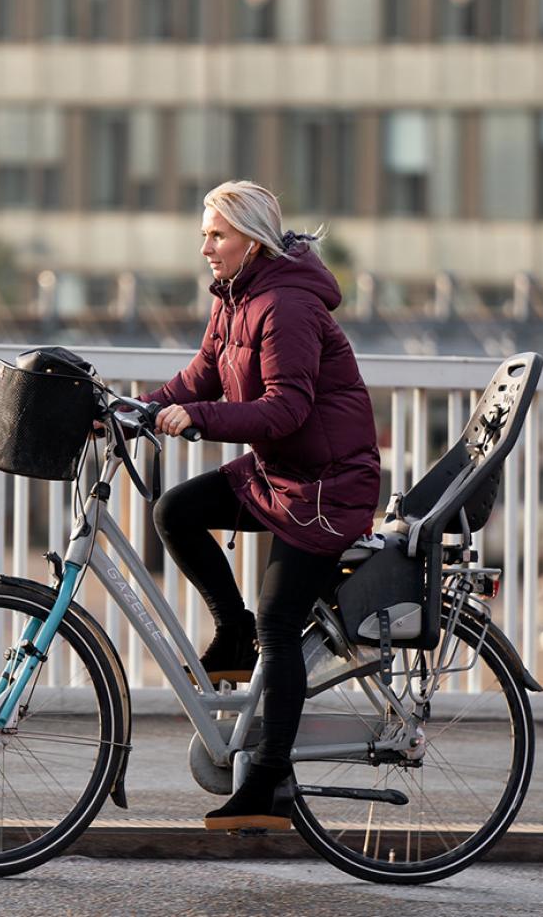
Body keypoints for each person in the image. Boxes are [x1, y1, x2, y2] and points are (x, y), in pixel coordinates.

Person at [141, 180, 380, 831]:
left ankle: (271, 779)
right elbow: (199, 376)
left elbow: (287, 408)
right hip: (281, 474)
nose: (205, 248)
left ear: (251, 238)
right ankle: (232, 631)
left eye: (215, 236)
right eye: (203, 235)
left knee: (281, 624)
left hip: (328, 489)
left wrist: (196, 419)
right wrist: (140, 409)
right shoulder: (235, 297)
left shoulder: (287, 305)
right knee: (177, 512)